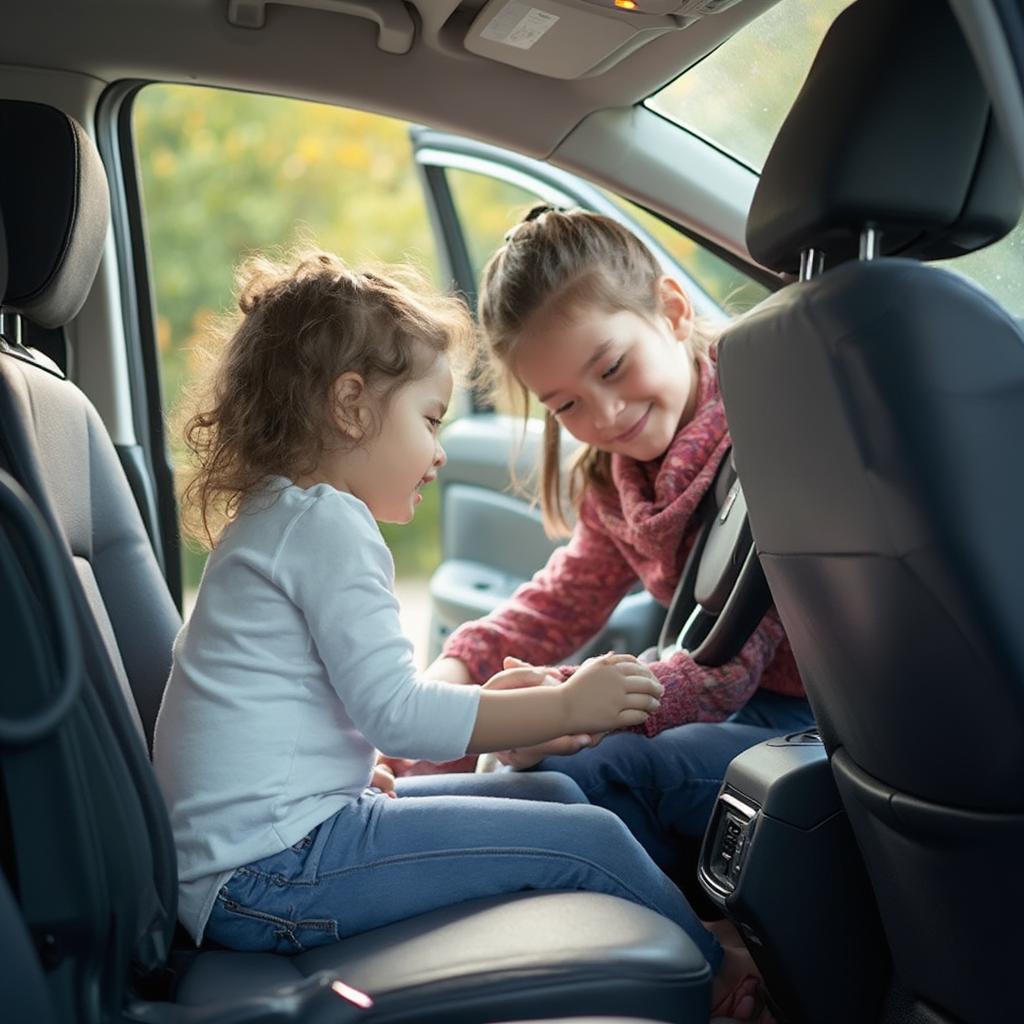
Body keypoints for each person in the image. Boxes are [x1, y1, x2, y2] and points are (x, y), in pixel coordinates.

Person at [152, 250, 770, 1021]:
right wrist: (569, 705)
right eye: (430, 420)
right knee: (593, 843)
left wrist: (349, 776)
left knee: (550, 789)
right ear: (351, 407)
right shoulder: (330, 526)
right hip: (273, 878)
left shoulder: (286, 516)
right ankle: (722, 982)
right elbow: (398, 716)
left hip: (266, 856)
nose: (440, 451)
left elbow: (294, 711)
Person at [424, 207, 814, 883]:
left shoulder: (770, 437)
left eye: (611, 367)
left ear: (671, 310)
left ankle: (718, 948)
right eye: (566, 405)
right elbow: (561, 600)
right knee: (525, 760)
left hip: (819, 719)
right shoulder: (616, 480)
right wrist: (449, 681)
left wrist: (567, 709)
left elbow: (722, 678)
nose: (602, 416)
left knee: (584, 766)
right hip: (734, 700)